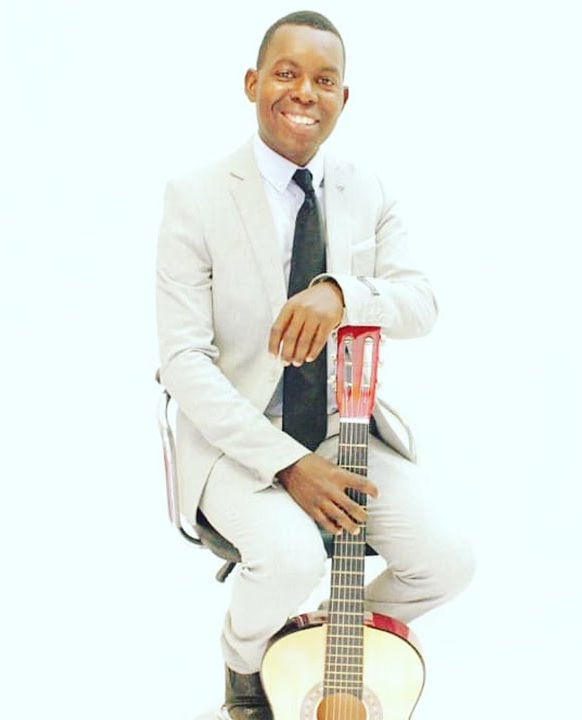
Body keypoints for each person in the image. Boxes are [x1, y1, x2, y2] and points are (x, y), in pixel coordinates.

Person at [155, 11, 474, 719]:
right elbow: (181, 361)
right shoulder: (196, 196)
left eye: (324, 80)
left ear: (343, 97)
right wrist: (287, 464)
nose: (305, 92)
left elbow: (422, 304)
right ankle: (245, 667)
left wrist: (342, 293)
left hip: (340, 429)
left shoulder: (368, 189)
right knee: (293, 556)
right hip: (234, 439)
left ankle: (318, 643)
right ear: (252, 83)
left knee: (448, 562)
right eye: (286, 73)